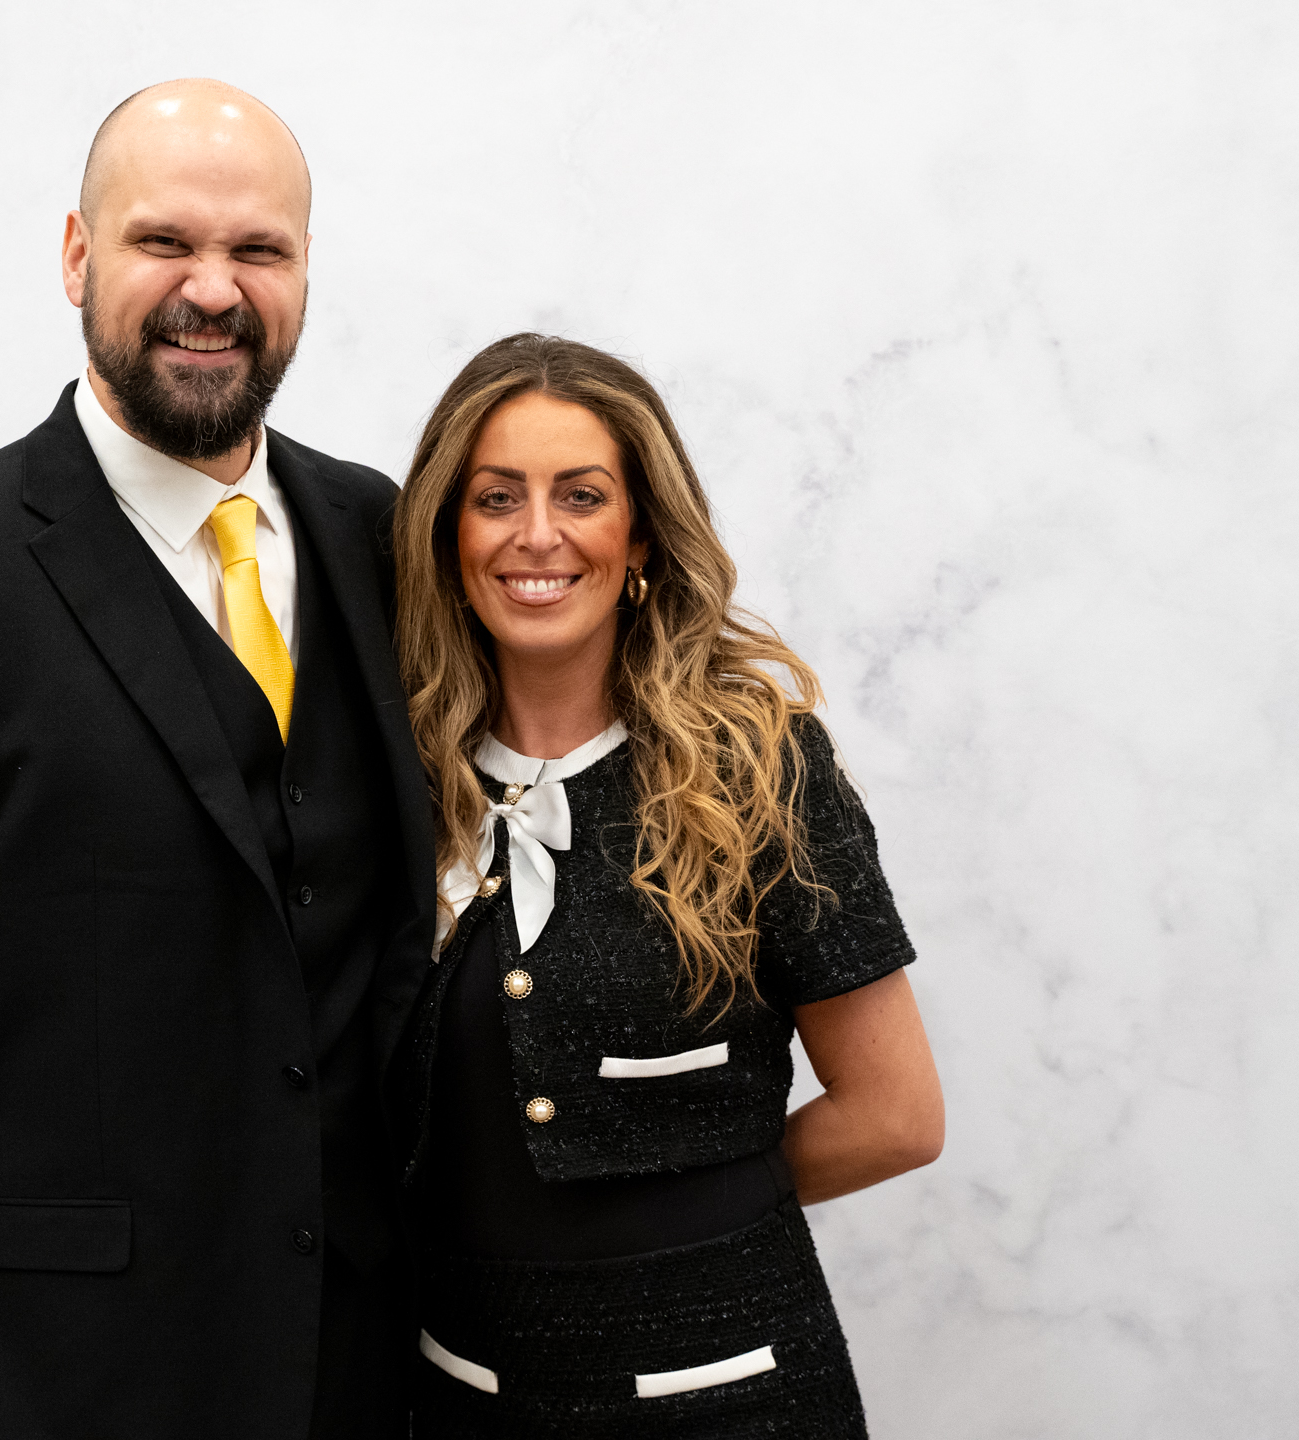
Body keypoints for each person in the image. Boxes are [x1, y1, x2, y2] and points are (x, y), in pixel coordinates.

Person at [0, 79, 434, 1439]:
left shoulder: (383, 537)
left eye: (257, 250)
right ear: (76, 256)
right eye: (163, 241)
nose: (213, 290)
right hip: (55, 1387)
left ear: (306, 271)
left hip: (361, 1378)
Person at [389, 334, 944, 1438]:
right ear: (448, 534)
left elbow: (896, 1116)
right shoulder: (389, 772)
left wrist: (692, 1205)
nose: (536, 534)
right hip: (458, 1398)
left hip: (737, 1396)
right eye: (496, 497)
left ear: (639, 533)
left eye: (581, 495)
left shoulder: (759, 768)